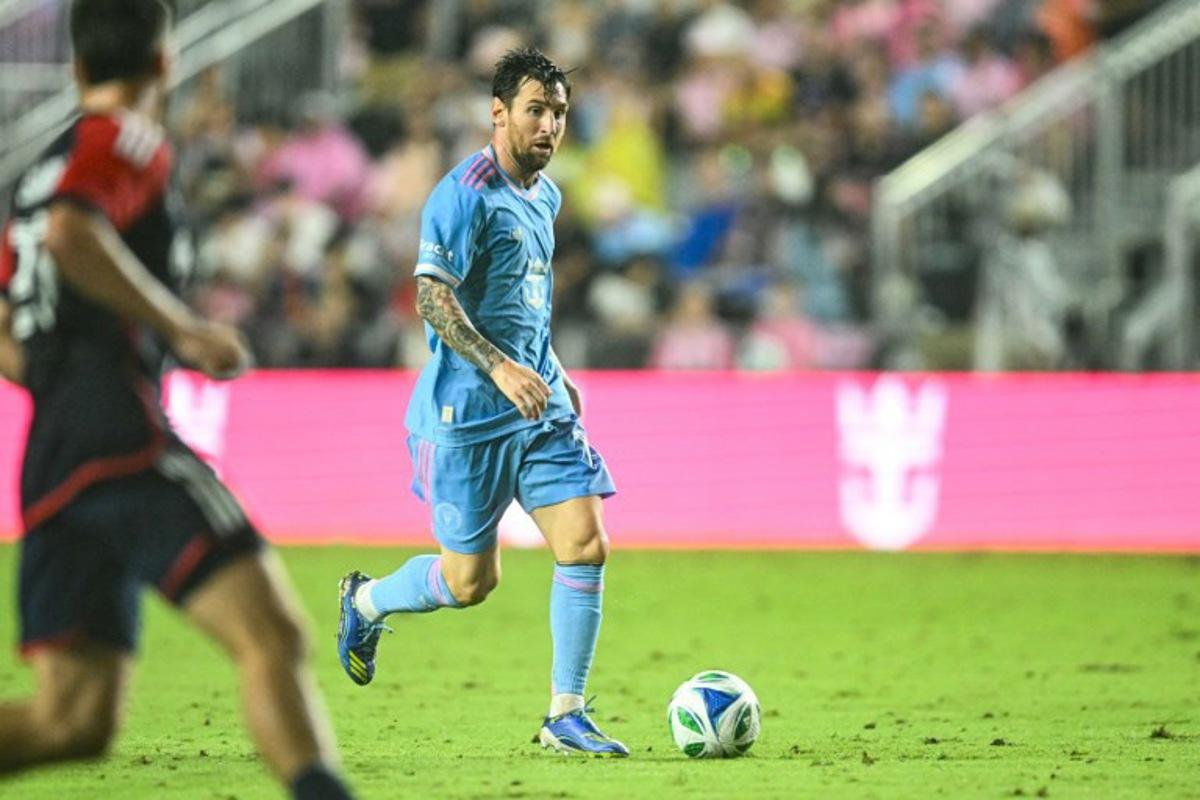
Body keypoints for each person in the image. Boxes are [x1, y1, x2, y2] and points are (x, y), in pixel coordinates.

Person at [0, 3, 354, 797]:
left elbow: (7, 319)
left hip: (53, 455)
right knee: (271, 637)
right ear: (165, 62)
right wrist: (182, 328)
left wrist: (56, 375)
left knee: (71, 721)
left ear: (76, 67)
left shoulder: (35, 176)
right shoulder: (125, 138)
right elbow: (71, 233)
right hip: (122, 440)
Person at [336, 47, 629, 757]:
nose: (549, 126)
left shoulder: (546, 196)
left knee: (585, 542)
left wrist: (552, 368)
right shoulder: (464, 194)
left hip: (538, 406)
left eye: (559, 112)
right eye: (536, 110)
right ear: (498, 113)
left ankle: (566, 713)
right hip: (465, 415)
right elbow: (430, 297)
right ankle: (365, 601)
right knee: (470, 582)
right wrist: (499, 367)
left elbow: (523, 301)